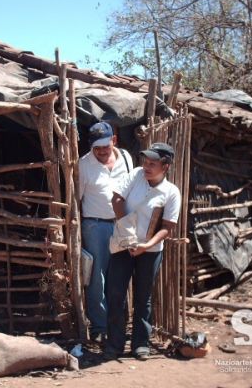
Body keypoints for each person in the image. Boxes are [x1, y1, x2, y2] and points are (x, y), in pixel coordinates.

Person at [104, 142, 181, 360]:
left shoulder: (171, 192)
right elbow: (117, 199)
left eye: (152, 164)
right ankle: (114, 344)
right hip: (122, 244)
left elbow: (167, 227)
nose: (146, 166)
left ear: (165, 167)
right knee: (116, 293)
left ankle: (140, 344)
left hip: (150, 250)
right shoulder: (136, 175)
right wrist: (128, 235)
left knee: (143, 296)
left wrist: (146, 246)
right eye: (145, 162)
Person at [79, 121, 133, 342]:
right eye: (96, 147)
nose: (101, 151)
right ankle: (100, 327)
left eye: (105, 146)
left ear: (114, 140)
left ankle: (118, 322)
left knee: (119, 273)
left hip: (122, 223)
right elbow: (76, 198)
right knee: (97, 276)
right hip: (96, 225)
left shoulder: (127, 159)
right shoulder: (84, 164)